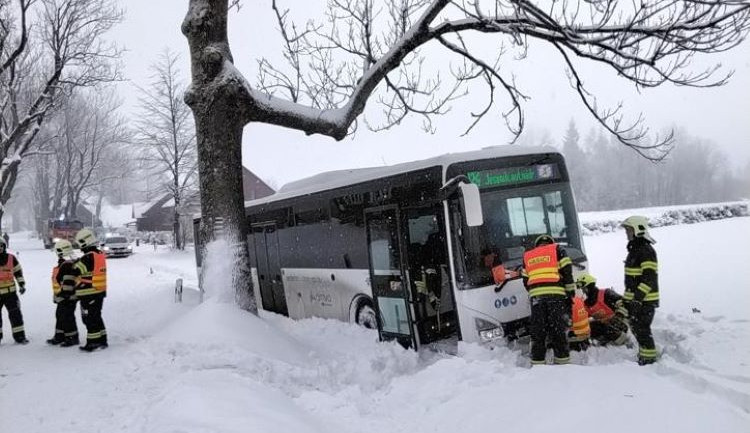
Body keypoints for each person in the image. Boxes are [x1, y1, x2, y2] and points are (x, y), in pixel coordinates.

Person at [522, 234, 576, 365]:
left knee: (538, 333)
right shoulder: (558, 250)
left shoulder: (529, 255)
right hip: (556, 296)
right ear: (551, 243)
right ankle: (562, 363)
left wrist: (535, 291)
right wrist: (570, 292)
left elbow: (525, 279)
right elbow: (567, 271)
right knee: (557, 331)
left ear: (537, 245)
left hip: (537, 299)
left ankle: (538, 364)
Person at [621, 216, 660, 365]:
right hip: (638, 300)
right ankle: (645, 356)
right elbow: (631, 282)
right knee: (637, 328)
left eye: (629, 230)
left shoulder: (646, 251)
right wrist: (626, 302)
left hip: (646, 300)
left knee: (642, 329)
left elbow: (648, 278)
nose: (626, 233)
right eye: (626, 230)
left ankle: (649, 359)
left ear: (638, 230)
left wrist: (638, 298)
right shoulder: (635, 250)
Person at [73, 228, 108, 352]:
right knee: (97, 316)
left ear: (84, 242)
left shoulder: (88, 257)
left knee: (89, 319)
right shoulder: (99, 255)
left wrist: (73, 263)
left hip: (89, 293)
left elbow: (76, 271)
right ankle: (102, 339)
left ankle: (92, 343)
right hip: (99, 292)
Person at [576, 273, 630, 346]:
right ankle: (602, 345)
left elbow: (623, 303)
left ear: (589, 286)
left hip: (619, 324)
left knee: (599, 325)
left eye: (583, 288)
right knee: (589, 326)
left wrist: (618, 316)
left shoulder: (605, 293)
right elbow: (583, 318)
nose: (583, 291)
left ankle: (626, 343)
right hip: (604, 328)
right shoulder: (587, 304)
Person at [47, 240, 80, 347]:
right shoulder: (66, 263)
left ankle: (72, 337)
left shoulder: (67, 264)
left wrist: (65, 295)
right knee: (60, 315)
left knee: (67, 316)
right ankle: (59, 336)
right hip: (63, 296)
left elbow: (68, 281)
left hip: (68, 297)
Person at [0, 236, 28, 344]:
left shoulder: (11, 258)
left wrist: (21, 284)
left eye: (1, 246)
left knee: (15, 315)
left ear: (4, 246)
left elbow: (18, 272)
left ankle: (20, 336)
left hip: (10, 294)